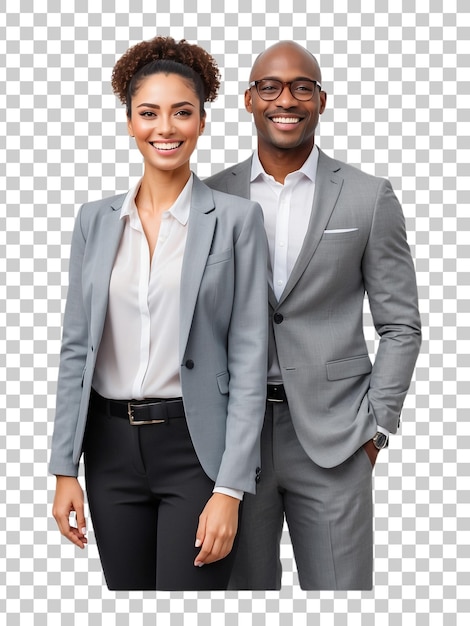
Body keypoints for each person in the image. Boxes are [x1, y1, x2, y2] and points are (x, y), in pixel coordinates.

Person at [49, 36, 268, 591]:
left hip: (196, 449)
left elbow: (249, 356)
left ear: (201, 122)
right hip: (109, 451)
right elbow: (78, 347)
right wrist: (62, 468)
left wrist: (230, 488)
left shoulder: (237, 220)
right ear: (129, 121)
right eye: (149, 113)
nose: (165, 128)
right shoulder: (94, 221)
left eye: (182, 112)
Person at [205, 40, 421, 590]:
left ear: (321, 100)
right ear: (249, 100)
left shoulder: (368, 197)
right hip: (235, 444)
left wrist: (377, 428)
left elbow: (400, 325)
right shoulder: (209, 197)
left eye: (303, 86)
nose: (287, 99)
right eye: (270, 87)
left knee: (342, 598)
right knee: (236, 600)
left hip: (335, 440)